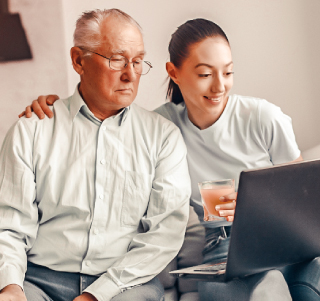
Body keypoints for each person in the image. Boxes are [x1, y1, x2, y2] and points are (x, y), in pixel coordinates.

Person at [21, 18, 320, 301]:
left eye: (227, 72)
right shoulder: (161, 129)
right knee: (267, 287)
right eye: (205, 74)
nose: (219, 86)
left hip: (291, 244)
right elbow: (102, 121)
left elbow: (304, 197)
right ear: (174, 72)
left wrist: (255, 204)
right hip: (228, 248)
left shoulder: (262, 117)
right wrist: (55, 106)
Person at [0, 9, 192, 301]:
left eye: (138, 61)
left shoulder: (163, 138)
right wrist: (10, 286)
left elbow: (164, 235)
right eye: (117, 59)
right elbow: (9, 224)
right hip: (39, 280)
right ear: (79, 60)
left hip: (126, 284)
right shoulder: (32, 131)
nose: (130, 74)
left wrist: (96, 294)